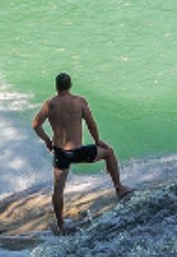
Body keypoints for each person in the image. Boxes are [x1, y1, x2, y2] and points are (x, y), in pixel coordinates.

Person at [31, 72, 132, 232]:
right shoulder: (80, 101)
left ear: (56, 86)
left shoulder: (49, 104)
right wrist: (97, 141)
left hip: (60, 154)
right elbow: (91, 124)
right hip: (78, 153)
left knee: (58, 190)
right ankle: (119, 188)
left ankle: (61, 224)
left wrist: (47, 141)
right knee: (109, 153)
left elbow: (36, 125)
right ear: (70, 86)